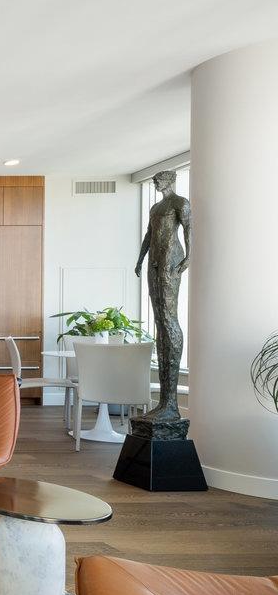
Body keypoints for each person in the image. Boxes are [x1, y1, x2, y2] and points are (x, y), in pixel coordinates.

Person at [134, 170, 191, 421]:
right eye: (154, 179)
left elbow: (188, 229)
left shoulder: (180, 203)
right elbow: (149, 234)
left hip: (170, 260)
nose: (156, 182)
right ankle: (164, 402)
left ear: (170, 180)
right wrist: (140, 259)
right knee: (160, 323)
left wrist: (189, 257)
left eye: (159, 179)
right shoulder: (156, 207)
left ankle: (171, 403)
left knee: (169, 321)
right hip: (154, 261)